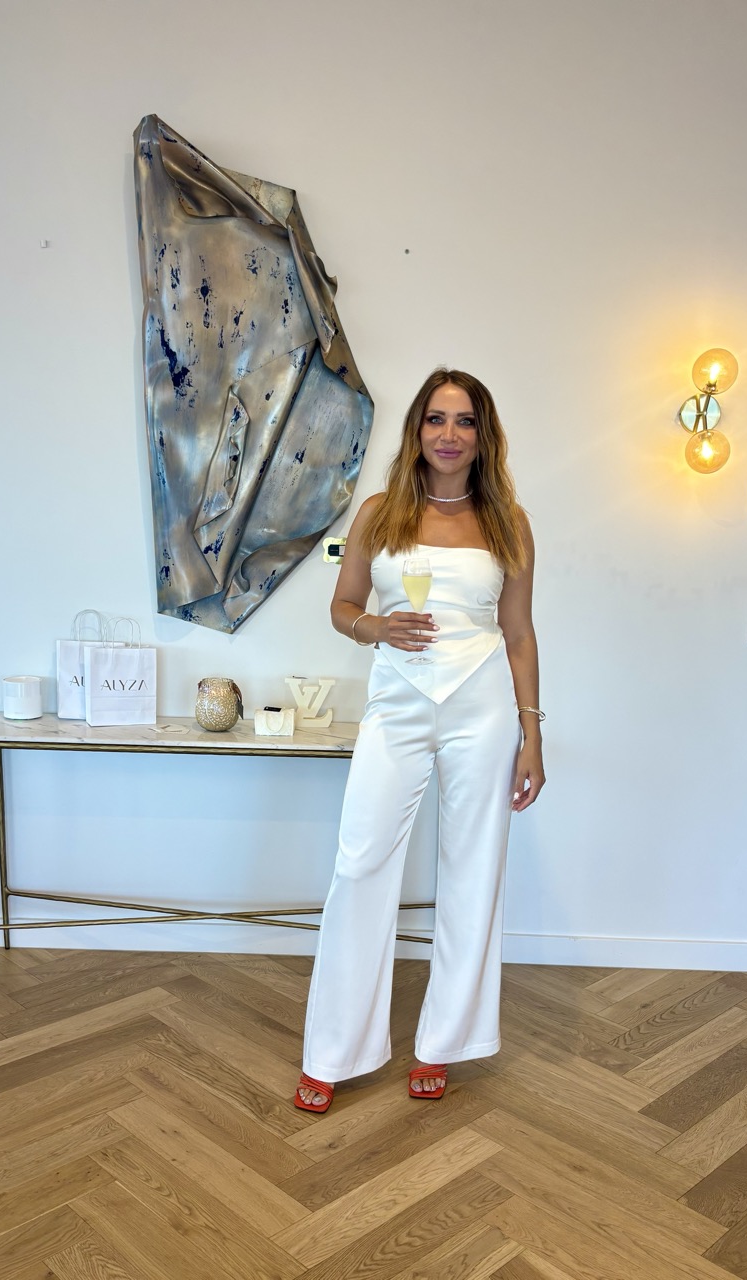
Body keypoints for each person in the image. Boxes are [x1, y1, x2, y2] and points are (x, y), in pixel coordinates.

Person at [295, 367, 545, 1113]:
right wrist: (377, 626)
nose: (449, 434)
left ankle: (443, 1043)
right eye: (436, 419)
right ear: (417, 430)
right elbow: (343, 606)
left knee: (473, 870)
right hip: (397, 705)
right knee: (360, 863)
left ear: (483, 436)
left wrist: (532, 737)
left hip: (483, 710)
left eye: (465, 421)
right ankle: (333, 1051)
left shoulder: (508, 522)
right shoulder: (380, 512)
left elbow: (519, 634)